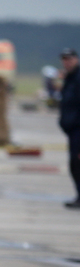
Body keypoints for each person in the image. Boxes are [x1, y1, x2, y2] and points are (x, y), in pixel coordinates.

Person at [57, 48, 80, 208]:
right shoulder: (69, 78)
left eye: (70, 59)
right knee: (74, 165)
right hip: (72, 130)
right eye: (64, 59)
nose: (67, 62)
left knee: (76, 163)